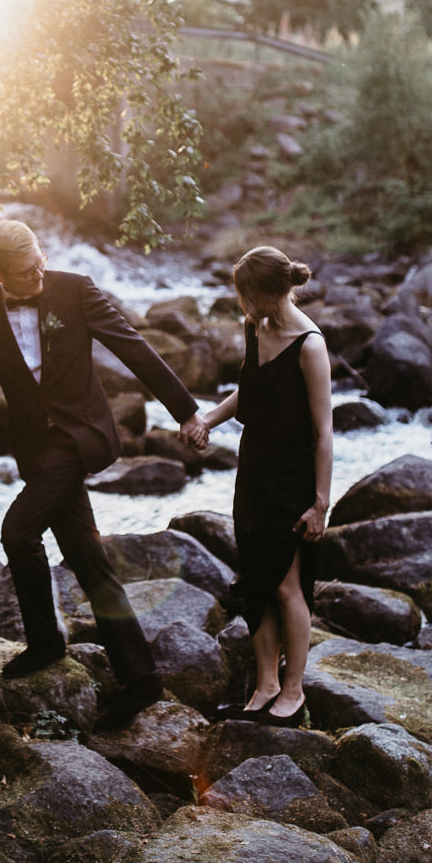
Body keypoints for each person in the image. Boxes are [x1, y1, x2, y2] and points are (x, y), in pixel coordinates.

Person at [0, 219, 206, 732]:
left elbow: (133, 347)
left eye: (40, 262)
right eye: (26, 272)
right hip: (34, 448)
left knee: (17, 532)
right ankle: (141, 680)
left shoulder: (75, 289)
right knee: (88, 558)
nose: (39, 275)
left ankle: (46, 642)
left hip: (80, 435)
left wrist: (186, 411)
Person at [184, 246, 332, 727]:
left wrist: (321, 503)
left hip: (292, 478)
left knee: (287, 585)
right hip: (253, 474)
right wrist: (207, 418)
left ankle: (293, 691)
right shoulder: (255, 328)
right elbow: (250, 389)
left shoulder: (310, 345)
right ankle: (266, 684)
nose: (245, 306)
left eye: (250, 296)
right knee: (256, 583)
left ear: (274, 290)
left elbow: (324, 432)